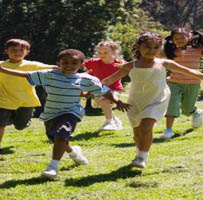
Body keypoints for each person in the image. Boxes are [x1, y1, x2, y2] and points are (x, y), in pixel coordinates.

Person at [0, 49, 131, 179]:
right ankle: (74, 152)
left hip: (71, 112)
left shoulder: (85, 79)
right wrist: (3, 70)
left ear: (81, 65)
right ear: (58, 63)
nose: (69, 65)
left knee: (61, 134)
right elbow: (26, 74)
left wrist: (118, 102)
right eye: (65, 62)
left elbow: (104, 91)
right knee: (57, 138)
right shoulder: (50, 74)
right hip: (51, 113)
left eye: (74, 63)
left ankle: (53, 167)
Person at [102, 32, 203, 168]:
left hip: (158, 99)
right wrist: (92, 87)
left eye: (156, 47)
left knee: (146, 127)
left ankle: (142, 158)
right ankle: (139, 152)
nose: (151, 51)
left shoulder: (164, 63)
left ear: (160, 48)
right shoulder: (130, 66)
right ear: (138, 47)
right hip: (135, 101)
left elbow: (190, 72)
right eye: (147, 47)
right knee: (138, 133)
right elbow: (108, 81)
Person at [0, 39, 56, 153]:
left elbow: (51, 68)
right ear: (6, 51)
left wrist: (70, 68)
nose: (17, 52)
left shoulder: (31, 65)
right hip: (4, 100)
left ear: (27, 52)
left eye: (21, 50)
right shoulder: (1, 65)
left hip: (26, 101)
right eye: (14, 50)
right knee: (1, 124)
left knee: (20, 126)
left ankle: (23, 119)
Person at [160, 28, 203, 139]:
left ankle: (196, 112)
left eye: (182, 37)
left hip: (193, 83)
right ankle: (168, 130)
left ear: (189, 36)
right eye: (176, 38)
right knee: (171, 105)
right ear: (172, 40)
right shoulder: (170, 51)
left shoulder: (198, 49)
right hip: (174, 82)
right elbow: (153, 54)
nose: (179, 40)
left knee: (187, 109)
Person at [83, 41, 125, 131]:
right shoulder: (93, 62)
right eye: (100, 52)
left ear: (114, 52)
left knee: (104, 101)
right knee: (104, 104)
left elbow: (132, 67)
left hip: (114, 89)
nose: (102, 55)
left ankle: (109, 122)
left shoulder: (119, 63)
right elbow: (78, 65)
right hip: (98, 90)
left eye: (105, 52)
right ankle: (115, 120)